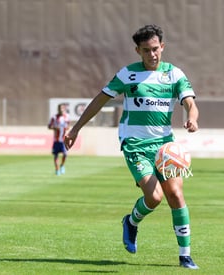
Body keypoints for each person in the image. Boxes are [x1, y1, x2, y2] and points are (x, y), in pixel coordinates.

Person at [64, 25, 200, 269]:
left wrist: (192, 117)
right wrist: (76, 128)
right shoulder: (128, 75)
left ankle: (185, 256)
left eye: (156, 49)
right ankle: (132, 221)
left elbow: (190, 103)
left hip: (164, 145)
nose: (152, 54)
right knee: (155, 196)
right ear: (138, 50)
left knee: (176, 195)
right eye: (146, 50)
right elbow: (99, 100)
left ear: (163, 47)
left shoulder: (174, 74)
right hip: (135, 144)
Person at [48, 103, 70, 176]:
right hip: (56, 140)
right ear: (58, 109)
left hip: (63, 140)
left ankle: (62, 165)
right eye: (60, 108)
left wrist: (65, 128)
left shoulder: (66, 117)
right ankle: (57, 170)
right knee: (56, 155)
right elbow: (49, 126)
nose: (61, 110)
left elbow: (68, 126)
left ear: (64, 109)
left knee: (65, 154)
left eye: (62, 108)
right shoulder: (54, 117)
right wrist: (55, 127)